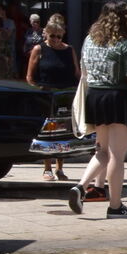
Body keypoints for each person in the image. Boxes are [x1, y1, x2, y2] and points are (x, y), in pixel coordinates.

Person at [68, 2, 127, 218]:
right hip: (119, 99)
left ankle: (80, 187)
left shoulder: (89, 40)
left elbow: (84, 72)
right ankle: (115, 206)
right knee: (116, 156)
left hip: (95, 97)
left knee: (102, 151)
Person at [27, 19, 80, 181]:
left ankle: (60, 168)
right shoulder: (39, 49)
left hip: (66, 95)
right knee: (48, 134)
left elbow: (77, 73)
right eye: (52, 36)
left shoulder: (69, 50)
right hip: (47, 95)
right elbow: (30, 76)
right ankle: (47, 167)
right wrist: (37, 92)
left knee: (64, 132)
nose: (56, 39)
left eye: (59, 36)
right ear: (46, 34)